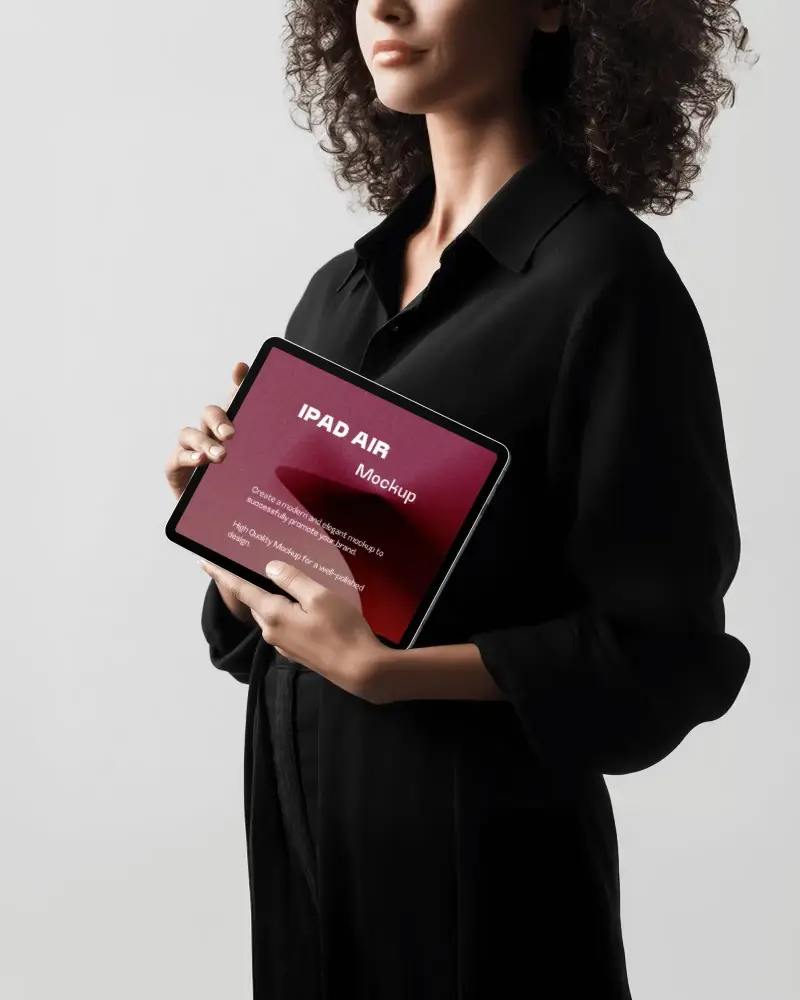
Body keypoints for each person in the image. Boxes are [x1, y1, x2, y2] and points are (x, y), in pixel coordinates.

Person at [164, 1, 754, 996]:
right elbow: (306, 609)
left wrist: (394, 672)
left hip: (487, 902)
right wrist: (233, 531)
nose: (382, 8)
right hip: (304, 879)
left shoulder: (604, 287)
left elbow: (664, 650)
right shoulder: (336, 294)